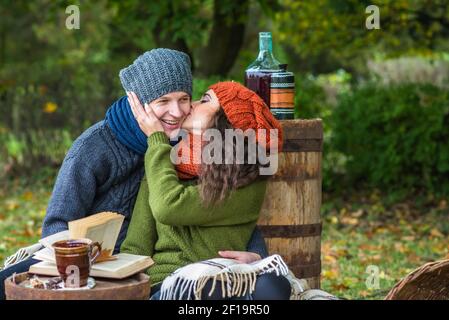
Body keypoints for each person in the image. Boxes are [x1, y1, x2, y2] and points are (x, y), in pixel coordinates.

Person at [0, 49, 268, 299]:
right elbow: (56, 226)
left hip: (138, 265)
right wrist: (84, 266)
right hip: (86, 259)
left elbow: (223, 200)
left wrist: (257, 254)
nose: (177, 112)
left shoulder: (183, 146)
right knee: (7, 282)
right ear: (137, 103)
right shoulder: (95, 147)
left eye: (184, 99)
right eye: (163, 101)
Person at [121, 81, 292, 300]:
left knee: (273, 287)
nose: (190, 105)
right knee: (207, 291)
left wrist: (157, 140)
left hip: (226, 280)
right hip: (172, 285)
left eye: (205, 100)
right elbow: (136, 246)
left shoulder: (247, 180)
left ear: (225, 122)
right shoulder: (162, 166)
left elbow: (170, 206)